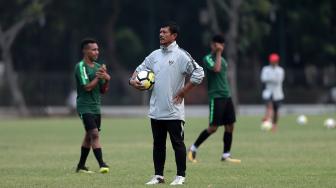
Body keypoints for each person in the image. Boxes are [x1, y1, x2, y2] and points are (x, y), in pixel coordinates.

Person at [129, 21, 204, 185]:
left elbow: (199, 72)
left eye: (164, 32)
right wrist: (132, 81)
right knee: (158, 144)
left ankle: (180, 176)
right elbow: (139, 69)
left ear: (174, 36)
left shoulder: (181, 55)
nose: (161, 34)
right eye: (160, 32)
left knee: (177, 143)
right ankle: (158, 176)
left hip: (174, 111)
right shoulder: (154, 55)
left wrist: (184, 90)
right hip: (156, 110)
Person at [187, 35, 241, 164]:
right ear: (212, 45)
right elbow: (216, 69)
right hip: (216, 97)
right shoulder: (208, 59)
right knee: (213, 128)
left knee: (230, 126)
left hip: (226, 96)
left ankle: (226, 155)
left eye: (221, 45)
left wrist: (219, 54)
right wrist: (218, 53)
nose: (219, 47)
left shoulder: (223, 60)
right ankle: (193, 148)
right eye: (216, 44)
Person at [74, 38, 111, 173]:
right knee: (94, 134)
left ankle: (81, 166)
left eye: (97, 49)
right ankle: (102, 164)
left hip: (96, 107)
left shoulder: (97, 67)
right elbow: (87, 87)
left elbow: (103, 91)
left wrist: (106, 80)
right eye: (93, 49)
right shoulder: (80, 66)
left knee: (89, 136)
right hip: (84, 106)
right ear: (85, 51)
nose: (97, 52)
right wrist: (98, 76)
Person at [260, 53, 285, 131]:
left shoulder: (280, 70)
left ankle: (274, 124)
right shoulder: (266, 69)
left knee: (276, 110)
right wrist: (273, 79)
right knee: (269, 107)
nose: (273, 62)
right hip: (268, 92)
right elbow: (263, 79)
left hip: (278, 94)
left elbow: (279, 80)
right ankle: (267, 121)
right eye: (272, 61)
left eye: (275, 61)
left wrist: (270, 78)